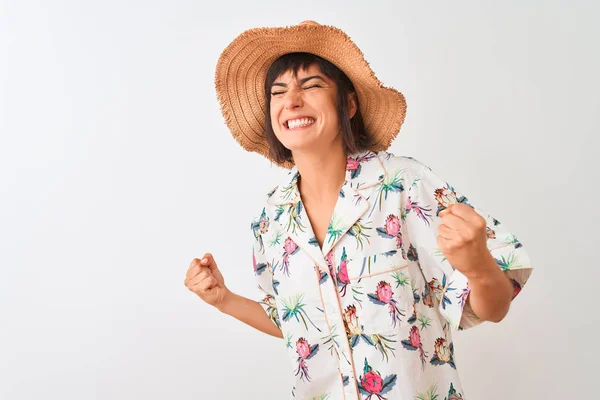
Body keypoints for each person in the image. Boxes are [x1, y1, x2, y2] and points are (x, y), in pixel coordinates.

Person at [184, 21, 533, 400]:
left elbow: (493, 308)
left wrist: (479, 264)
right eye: (278, 91)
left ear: (348, 103)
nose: (292, 101)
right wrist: (224, 299)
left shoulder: (403, 184)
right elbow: (296, 324)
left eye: (312, 85)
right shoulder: (272, 218)